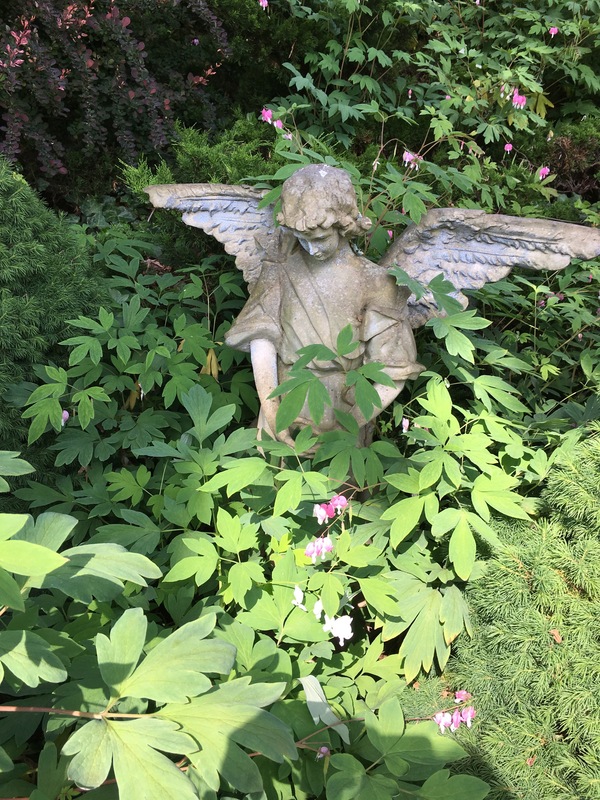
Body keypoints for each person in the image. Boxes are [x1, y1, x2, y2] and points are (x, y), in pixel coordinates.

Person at [224, 164, 424, 445]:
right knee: (277, 471)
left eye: (319, 239)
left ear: (344, 226)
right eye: (302, 239)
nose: (311, 249)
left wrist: (348, 425)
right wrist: (272, 413)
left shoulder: (376, 283)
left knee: (337, 475)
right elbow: (262, 339)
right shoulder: (281, 268)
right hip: (285, 397)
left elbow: (393, 373)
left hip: (345, 408)